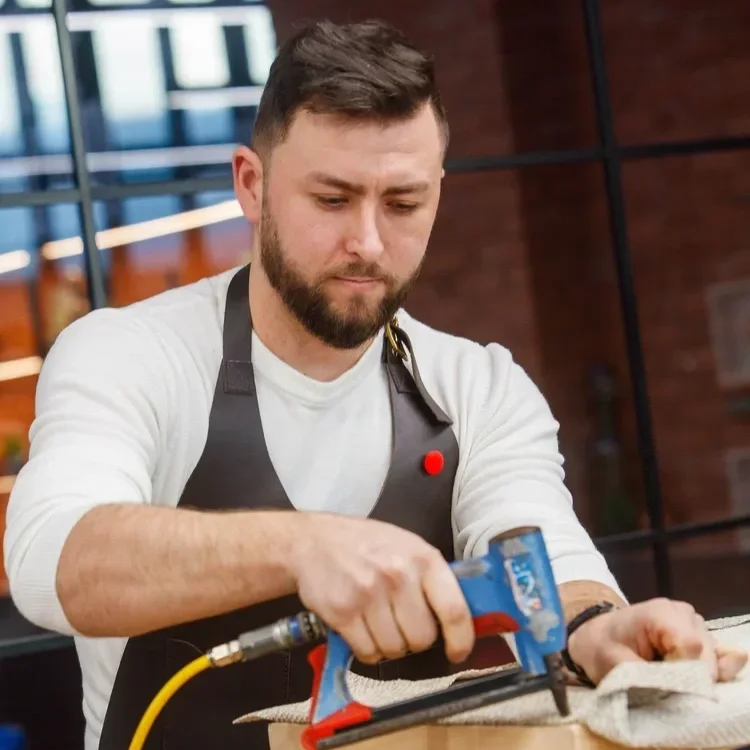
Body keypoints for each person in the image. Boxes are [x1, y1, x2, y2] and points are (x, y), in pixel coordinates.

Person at [4, 17, 746, 750]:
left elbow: (545, 556)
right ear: (252, 185)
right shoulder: (133, 353)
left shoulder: (477, 384)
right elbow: (48, 560)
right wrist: (303, 548)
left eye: (402, 204)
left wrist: (594, 628)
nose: (366, 241)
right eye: (332, 199)